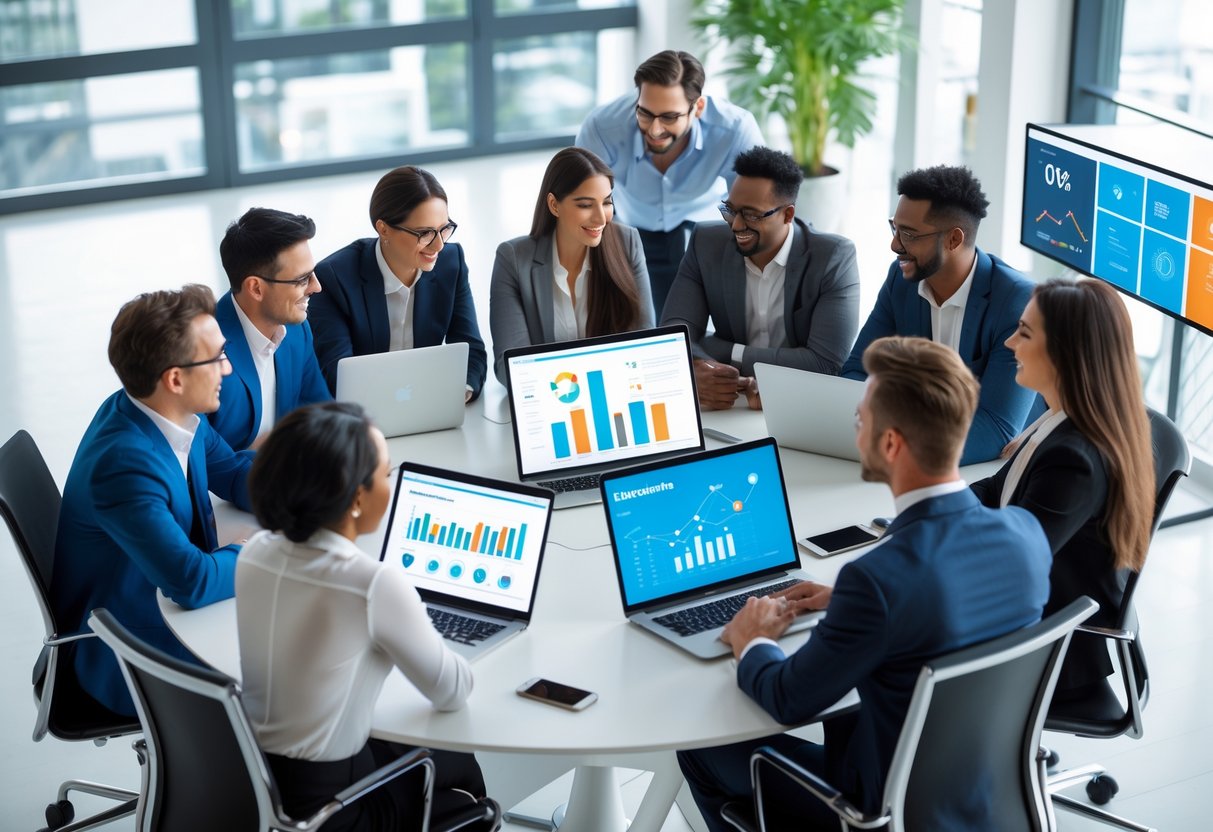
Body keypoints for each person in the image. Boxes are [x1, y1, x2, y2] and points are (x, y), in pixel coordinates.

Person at [677, 336, 1052, 831]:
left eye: (860, 419)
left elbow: (787, 698)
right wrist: (848, 603)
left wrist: (753, 641)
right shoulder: (1026, 534)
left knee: (699, 752)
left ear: (890, 443)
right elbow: (947, 605)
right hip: (985, 794)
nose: (856, 431)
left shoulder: (876, 581)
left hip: (880, 811)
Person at [236, 402, 497, 830]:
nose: (391, 485)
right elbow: (451, 690)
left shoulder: (254, 551)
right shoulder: (372, 583)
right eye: (386, 473)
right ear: (357, 497)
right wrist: (415, 620)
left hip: (258, 780)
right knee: (466, 782)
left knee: (440, 756)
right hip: (332, 811)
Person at [52, 285, 254, 716]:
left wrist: (313, 491)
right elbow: (192, 582)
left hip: (164, 609)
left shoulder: (167, 412)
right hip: (133, 652)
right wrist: (262, 553)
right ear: (175, 379)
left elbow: (234, 472)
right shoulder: (123, 464)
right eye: (217, 357)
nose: (229, 368)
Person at [971, 278, 1154, 703]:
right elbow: (996, 489)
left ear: (1065, 354)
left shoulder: (1075, 459)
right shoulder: (1057, 418)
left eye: (1024, 333)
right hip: (1028, 614)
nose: (1010, 343)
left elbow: (1008, 564)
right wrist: (928, 513)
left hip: (1045, 654)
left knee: (879, 660)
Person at [840, 165, 1037, 465]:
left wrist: (902, 448)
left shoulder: (1016, 301)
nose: (895, 245)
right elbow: (858, 370)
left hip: (990, 467)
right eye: (895, 228)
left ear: (953, 240)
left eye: (909, 234)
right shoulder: (901, 279)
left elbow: (996, 426)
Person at [660, 146, 860, 410]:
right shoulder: (705, 243)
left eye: (752, 215)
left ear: (788, 214)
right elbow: (674, 335)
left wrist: (724, 350)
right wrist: (699, 369)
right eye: (731, 210)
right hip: (728, 400)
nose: (736, 225)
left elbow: (825, 364)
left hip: (799, 403)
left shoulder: (833, 257)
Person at [576, 49, 763, 317]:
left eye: (669, 117)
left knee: (702, 319)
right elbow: (582, 206)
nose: (654, 130)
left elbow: (756, 208)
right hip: (627, 225)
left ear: (697, 108)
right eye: (645, 113)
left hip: (702, 228)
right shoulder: (601, 128)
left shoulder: (735, 129)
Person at [309, 165, 488, 400]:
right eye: (425, 233)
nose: (439, 246)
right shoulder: (334, 277)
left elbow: (472, 351)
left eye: (444, 229)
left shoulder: (451, 264)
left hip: (429, 404)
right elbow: (337, 374)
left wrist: (456, 394)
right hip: (365, 413)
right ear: (384, 229)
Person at [489, 146, 654, 385]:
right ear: (554, 205)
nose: (601, 218)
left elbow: (646, 346)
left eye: (607, 202)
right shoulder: (513, 259)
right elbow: (510, 366)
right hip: (551, 398)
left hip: (613, 394)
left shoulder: (628, 244)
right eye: (585, 205)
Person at [208, 207, 332, 451]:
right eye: (302, 279)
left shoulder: (297, 330)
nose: (316, 287)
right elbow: (204, 458)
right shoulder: (203, 351)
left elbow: (320, 412)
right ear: (256, 288)